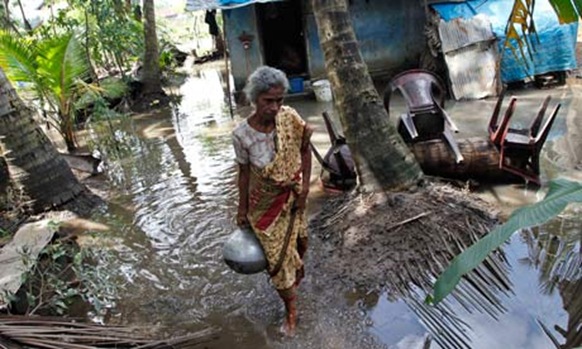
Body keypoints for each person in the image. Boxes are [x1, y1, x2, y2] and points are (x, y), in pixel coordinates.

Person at [232, 66, 312, 336]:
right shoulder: (242, 135)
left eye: (279, 100)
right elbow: (244, 173)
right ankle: (291, 309)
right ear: (255, 99)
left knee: (301, 242)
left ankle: (295, 277)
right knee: (276, 263)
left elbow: (304, 150)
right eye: (269, 101)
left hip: (293, 197)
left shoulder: (290, 119)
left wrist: (304, 193)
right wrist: (241, 209)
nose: (276, 107)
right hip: (265, 208)